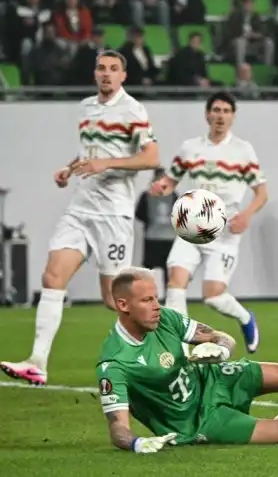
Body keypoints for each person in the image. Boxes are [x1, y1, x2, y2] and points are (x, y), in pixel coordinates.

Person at [97, 267, 278, 452]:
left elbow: (221, 337)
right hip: (198, 421)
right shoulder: (115, 364)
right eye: (147, 300)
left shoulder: (165, 319)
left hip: (213, 378)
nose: (156, 306)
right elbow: (117, 429)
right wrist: (136, 443)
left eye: (156, 298)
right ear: (123, 305)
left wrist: (221, 350)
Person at [1, 50, 160, 386]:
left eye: (113, 69)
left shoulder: (133, 110)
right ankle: (37, 362)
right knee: (52, 277)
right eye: (101, 68)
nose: (106, 74)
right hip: (80, 210)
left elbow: (151, 157)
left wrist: (107, 164)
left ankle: (172, 342)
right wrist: (70, 168)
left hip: (113, 215)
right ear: (95, 73)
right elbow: (90, 152)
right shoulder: (86, 108)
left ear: (123, 76)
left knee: (114, 299)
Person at [150, 92, 264, 354]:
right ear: (207, 114)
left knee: (213, 297)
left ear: (233, 116)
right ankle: (180, 352)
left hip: (225, 230)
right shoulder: (190, 148)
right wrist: (162, 186)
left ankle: (245, 318)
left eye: (226, 111)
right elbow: (171, 180)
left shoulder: (243, 151)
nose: (220, 116)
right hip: (192, 224)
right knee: (175, 283)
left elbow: (262, 193)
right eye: (216, 110)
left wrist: (247, 214)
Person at [135, 168, 179, 290]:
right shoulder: (146, 196)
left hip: (166, 238)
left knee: (167, 272)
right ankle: (147, 294)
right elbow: (139, 213)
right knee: (149, 272)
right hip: (153, 238)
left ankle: (168, 296)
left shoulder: (173, 195)